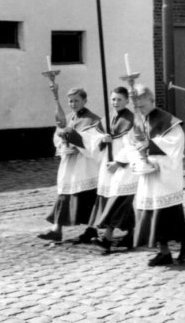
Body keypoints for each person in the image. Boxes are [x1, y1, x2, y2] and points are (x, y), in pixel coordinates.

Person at [129, 84, 185, 266]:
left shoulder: (167, 120)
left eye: (143, 106)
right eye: (137, 107)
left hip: (165, 174)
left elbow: (176, 142)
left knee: (168, 214)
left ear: (152, 101)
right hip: (148, 174)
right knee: (151, 214)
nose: (140, 110)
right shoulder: (140, 121)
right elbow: (131, 143)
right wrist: (138, 156)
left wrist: (151, 145)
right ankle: (163, 251)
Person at [38, 87, 101, 242]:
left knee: (89, 198)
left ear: (85, 101)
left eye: (76, 100)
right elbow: (57, 137)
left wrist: (76, 143)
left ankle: (92, 229)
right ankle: (56, 229)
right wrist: (62, 144)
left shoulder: (93, 119)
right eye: (71, 101)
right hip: (70, 164)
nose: (73, 104)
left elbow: (94, 140)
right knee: (64, 195)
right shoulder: (67, 118)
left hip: (86, 165)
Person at [82, 87, 138, 254]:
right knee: (114, 199)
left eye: (119, 99)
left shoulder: (132, 120)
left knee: (118, 199)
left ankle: (107, 237)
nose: (115, 103)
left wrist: (120, 162)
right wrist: (102, 139)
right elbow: (95, 137)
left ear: (127, 101)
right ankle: (132, 234)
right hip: (108, 162)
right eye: (113, 99)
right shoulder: (108, 118)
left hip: (124, 165)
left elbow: (133, 145)